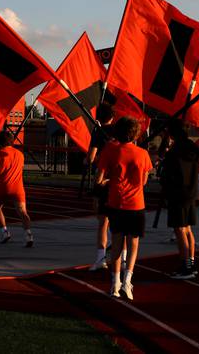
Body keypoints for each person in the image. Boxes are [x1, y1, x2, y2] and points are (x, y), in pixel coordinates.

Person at [97, 117, 152, 300]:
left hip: (116, 203)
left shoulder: (110, 151)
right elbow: (144, 181)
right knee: (133, 243)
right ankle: (128, 280)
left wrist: (110, 181)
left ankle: (115, 282)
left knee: (117, 244)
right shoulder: (143, 153)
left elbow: (100, 178)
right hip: (136, 204)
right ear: (135, 133)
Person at [160, 120, 199, 279]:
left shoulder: (174, 151)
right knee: (188, 229)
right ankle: (190, 262)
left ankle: (185, 266)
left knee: (179, 230)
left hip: (177, 193)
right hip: (190, 192)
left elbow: (166, 170)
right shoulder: (192, 147)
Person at [0, 131, 33, 247]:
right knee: (23, 212)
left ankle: (5, 232)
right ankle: (28, 235)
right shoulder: (20, 154)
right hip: (18, 188)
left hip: (3, 186)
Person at [87, 103, 116, 271]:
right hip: (120, 179)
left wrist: (88, 159)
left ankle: (100, 258)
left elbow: (91, 158)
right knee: (119, 221)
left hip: (104, 179)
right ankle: (123, 258)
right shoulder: (119, 131)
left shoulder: (98, 133)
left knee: (103, 220)